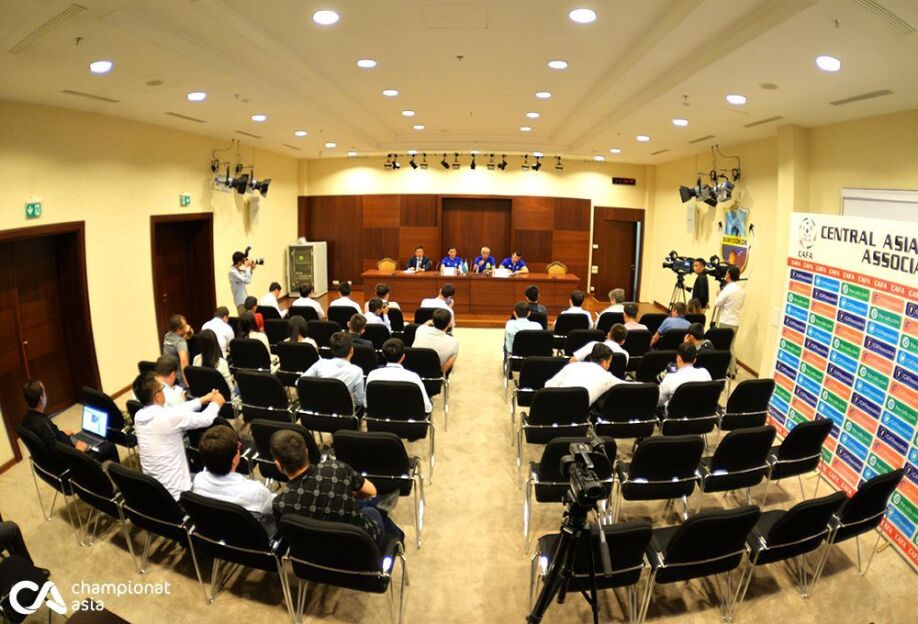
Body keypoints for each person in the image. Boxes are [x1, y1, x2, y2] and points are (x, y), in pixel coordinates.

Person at [271, 430, 404, 549]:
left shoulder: (280, 504)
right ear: (306, 451)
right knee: (371, 509)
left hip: (317, 557)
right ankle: (397, 538)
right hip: (361, 549)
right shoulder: (335, 468)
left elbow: (290, 538)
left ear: (278, 465)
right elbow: (371, 491)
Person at [133, 372, 225, 500]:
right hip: (179, 493)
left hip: (155, 491)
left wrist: (203, 399)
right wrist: (216, 403)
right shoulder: (168, 418)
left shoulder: (139, 416)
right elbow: (205, 419)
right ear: (158, 397)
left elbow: (174, 412)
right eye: (162, 388)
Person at [193, 425, 276, 535]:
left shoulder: (198, 481)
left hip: (216, 536)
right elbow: (274, 508)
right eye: (238, 447)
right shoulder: (255, 491)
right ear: (235, 459)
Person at [20, 380, 119, 463]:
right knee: (109, 447)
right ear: (41, 398)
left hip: (61, 450)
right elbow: (56, 453)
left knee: (82, 438)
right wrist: (78, 451)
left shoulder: (26, 420)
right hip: (71, 459)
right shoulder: (44, 424)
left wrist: (60, 434)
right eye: (44, 392)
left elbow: (48, 440)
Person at [545, 343, 625, 407]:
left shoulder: (571, 366)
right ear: (605, 362)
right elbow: (627, 386)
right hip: (577, 417)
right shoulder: (607, 377)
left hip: (551, 409)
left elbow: (548, 385)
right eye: (609, 362)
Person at [300, 332, 366, 410]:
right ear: (352, 350)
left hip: (318, 410)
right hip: (343, 414)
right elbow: (359, 401)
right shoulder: (357, 371)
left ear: (332, 350)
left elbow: (300, 382)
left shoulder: (320, 364)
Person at [367, 338, 432, 413]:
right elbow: (427, 408)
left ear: (383, 355)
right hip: (408, 418)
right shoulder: (413, 377)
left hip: (379, 419)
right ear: (403, 356)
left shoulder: (372, 375)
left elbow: (366, 403)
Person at [657, 342, 712, 411]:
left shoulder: (670, 378)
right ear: (694, 360)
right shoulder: (705, 373)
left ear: (679, 358)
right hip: (702, 415)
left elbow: (658, 402)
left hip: (677, 416)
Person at [713, 265, 746, 377]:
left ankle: (727, 371)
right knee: (731, 347)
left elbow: (717, 303)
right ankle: (732, 370)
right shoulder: (741, 290)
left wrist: (718, 294)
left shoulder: (727, 289)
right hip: (736, 322)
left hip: (726, 322)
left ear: (728, 275)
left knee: (724, 347)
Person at [413, 308, 459, 373]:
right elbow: (443, 370)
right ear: (449, 324)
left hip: (414, 371)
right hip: (435, 377)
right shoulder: (454, 342)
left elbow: (424, 325)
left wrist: (429, 322)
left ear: (433, 321)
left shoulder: (420, 330)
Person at [193, 329, 236, 393]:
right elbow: (230, 389)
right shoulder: (222, 363)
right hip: (220, 397)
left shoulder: (196, 359)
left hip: (201, 395)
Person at [162, 314, 192, 385]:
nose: (187, 326)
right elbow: (184, 362)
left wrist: (188, 330)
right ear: (178, 330)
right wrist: (187, 383)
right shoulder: (180, 342)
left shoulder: (167, 336)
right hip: (180, 380)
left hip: (169, 377)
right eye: (185, 326)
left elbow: (188, 336)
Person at [229, 251, 256, 316]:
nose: (243, 263)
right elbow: (247, 280)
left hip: (244, 300)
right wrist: (247, 267)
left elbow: (246, 277)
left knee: (249, 318)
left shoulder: (238, 270)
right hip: (240, 302)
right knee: (244, 319)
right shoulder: (232, 272)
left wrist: (251, 269)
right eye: (242, 261)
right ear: (239, 262)